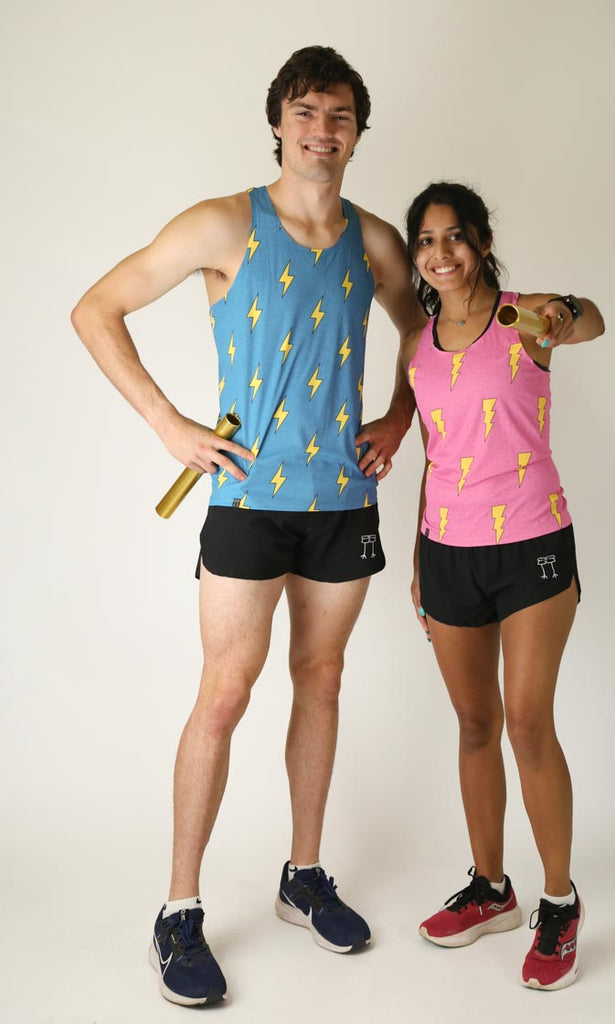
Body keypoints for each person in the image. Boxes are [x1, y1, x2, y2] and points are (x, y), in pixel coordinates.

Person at [71, 46, 423, 1007]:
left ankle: (301, 878)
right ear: (279, 123)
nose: (322, 128)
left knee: (323, 679)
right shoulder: (224, 223)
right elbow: (97, 306)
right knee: (223, 694)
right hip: (246, 503)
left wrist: (398, 416)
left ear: (356, 131)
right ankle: (178, 911)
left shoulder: (376, 240)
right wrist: (165, 421)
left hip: (343, 502)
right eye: (305, 111)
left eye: (339, 114)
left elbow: (426, 332)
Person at [402, 181, 605, 991]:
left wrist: (564, 309)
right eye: (425, 241)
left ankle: (558, 902)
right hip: (446, 550)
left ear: (481, 242)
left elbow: (590, 319)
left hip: (532, 545)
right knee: (474, 723)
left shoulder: (526, 317)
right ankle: (492, 888)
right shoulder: (415, 343)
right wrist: (419, 552)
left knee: (525, 723)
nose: (439, 253)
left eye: (454, 237)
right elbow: (431, 449)